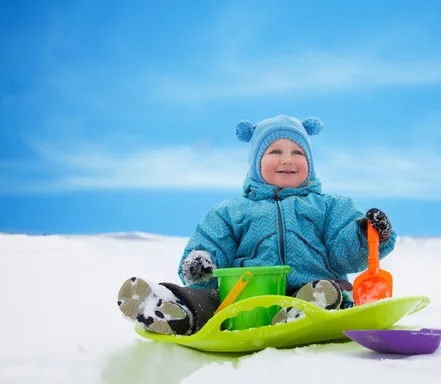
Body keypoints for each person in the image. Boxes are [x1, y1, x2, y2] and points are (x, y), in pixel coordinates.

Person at [117, 114, 396, 336]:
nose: (287, 159)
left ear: (310, 163)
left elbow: (344, 252)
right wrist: (200, 265)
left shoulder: (330, 207)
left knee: (331, 290)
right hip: (243, 299)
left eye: (298, 152)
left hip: (311, 287)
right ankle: (173, 310)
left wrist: (366, 234)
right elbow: (211, 244)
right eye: (275, 151)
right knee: (207, 298)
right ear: (255, 163)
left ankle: (305, 310)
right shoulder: (231, 211)